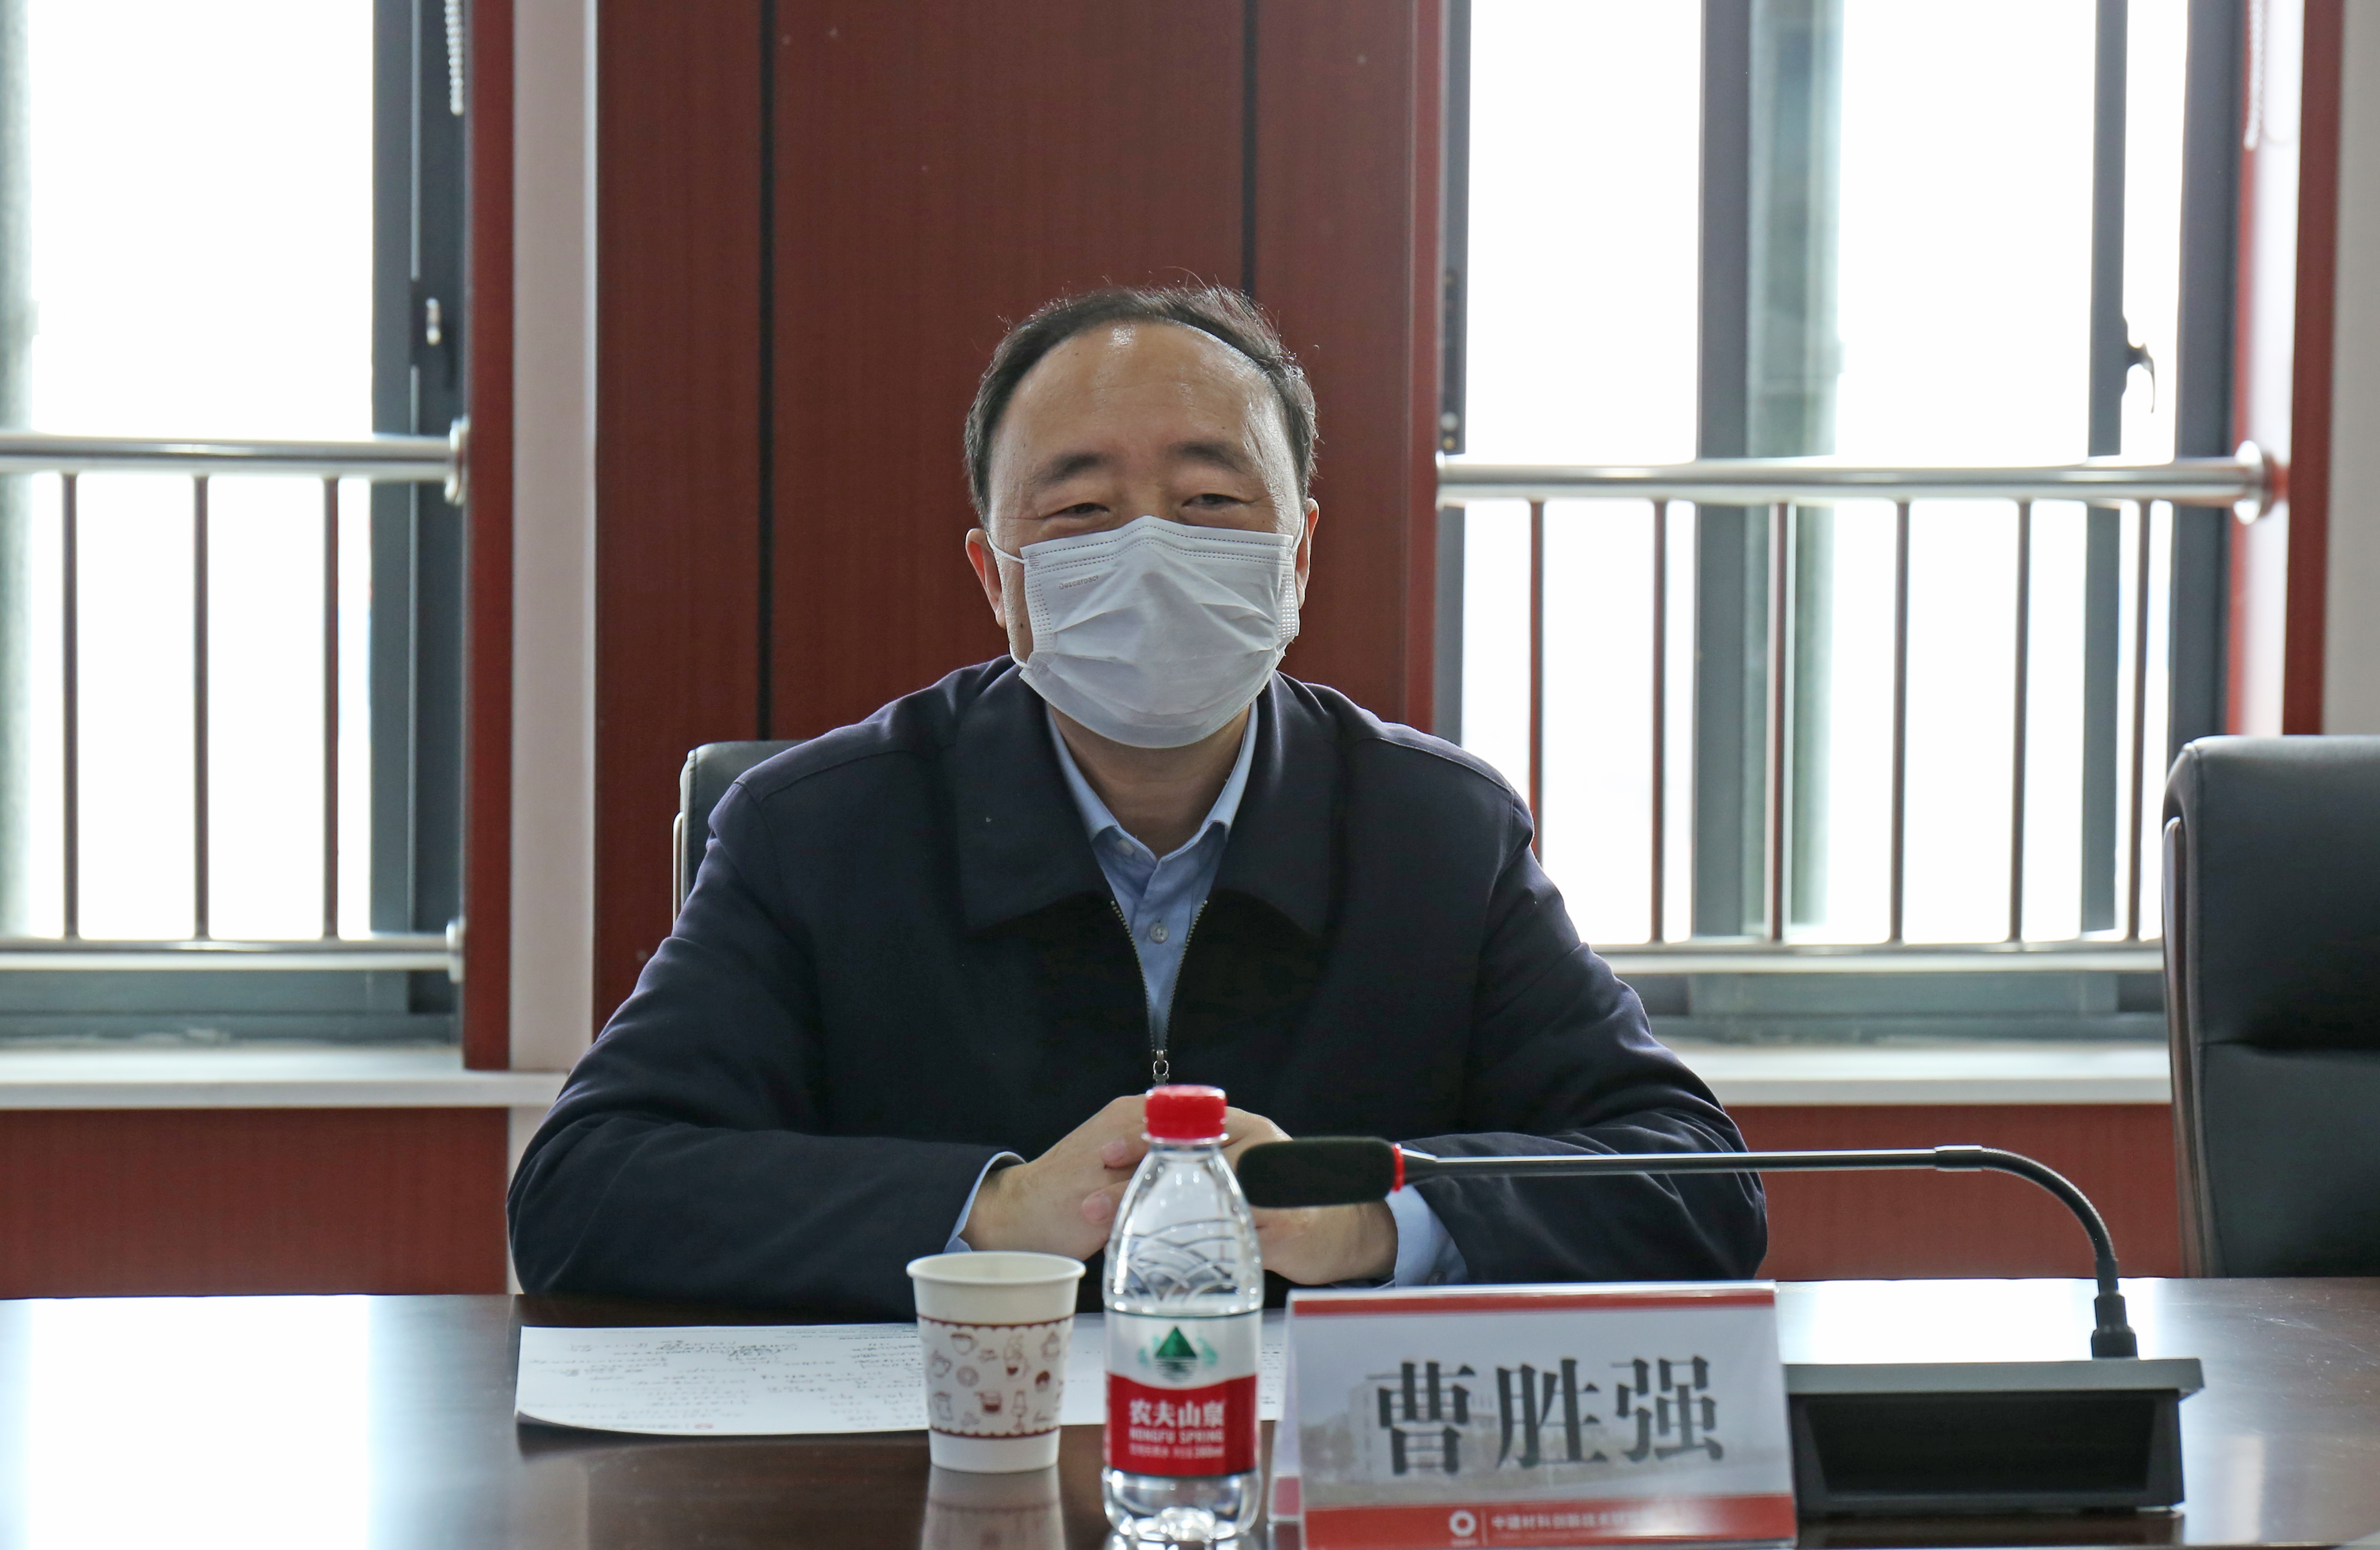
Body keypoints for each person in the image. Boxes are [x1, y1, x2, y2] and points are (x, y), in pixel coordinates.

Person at [509, 285, 1764, 1317]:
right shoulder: (819, 830)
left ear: (1296, 553)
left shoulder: (1434, 831)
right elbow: (584, 1188)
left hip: (1303, 1490)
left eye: (1211, 500)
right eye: (1079, 510)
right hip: (937, 1480)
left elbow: (1692, 1178)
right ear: (996, 578)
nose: (1149, 547)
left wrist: (1378, 1216)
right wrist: (994, 1215)